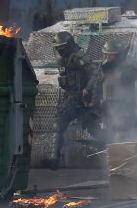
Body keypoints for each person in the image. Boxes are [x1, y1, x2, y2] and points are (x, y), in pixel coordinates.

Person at [42, 31, 99, 170]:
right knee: (60, 125)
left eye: (61, 47)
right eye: (57, 47)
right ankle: (54, 159)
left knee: (94, 129)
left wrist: (88, 90)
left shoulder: (79, 57)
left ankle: (118, 148)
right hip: (71, 99)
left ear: (68, 45)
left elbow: (95, 74)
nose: (59, 50)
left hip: (82, 100)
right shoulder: (63, 60)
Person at [87, 41, 137, 142]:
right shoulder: (104, 67)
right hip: (108, 109)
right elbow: (97, 81)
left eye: (110, 55)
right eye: (105, 54)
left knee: (122, 136)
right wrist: (90, 93)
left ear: (118, 55)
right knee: (103, 133)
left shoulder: (128, 68)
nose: (107, 57)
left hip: (125, 109)